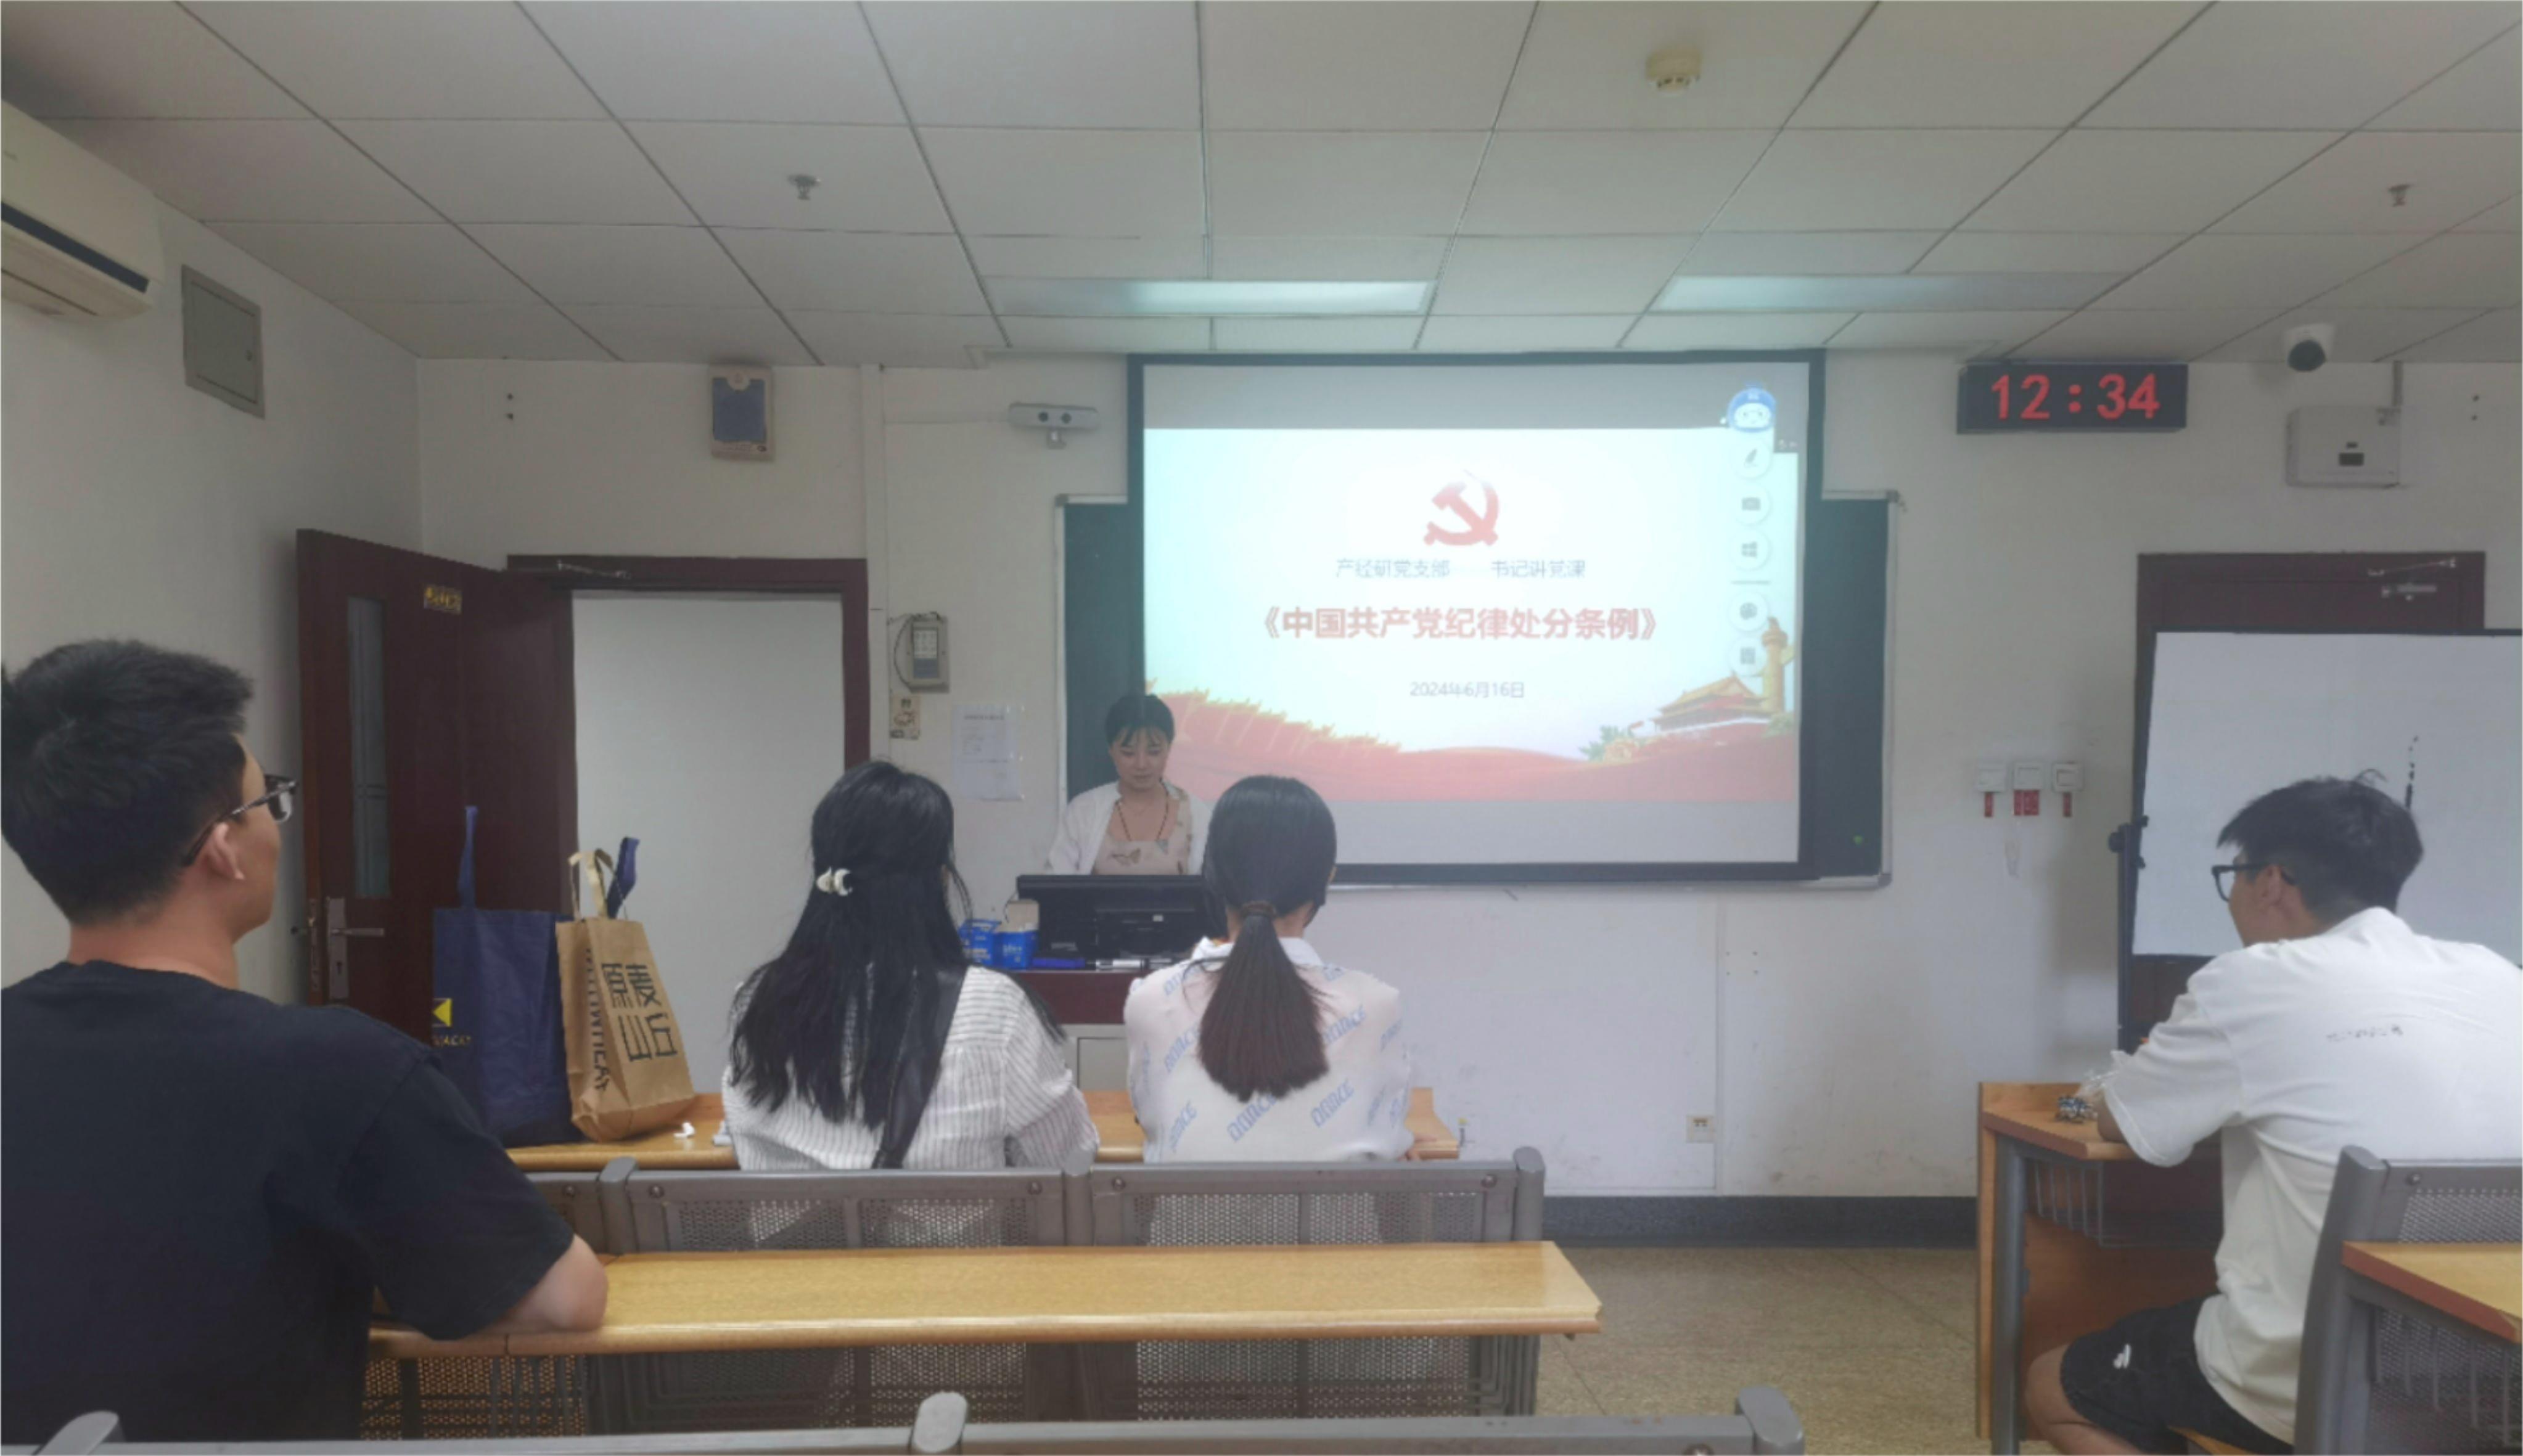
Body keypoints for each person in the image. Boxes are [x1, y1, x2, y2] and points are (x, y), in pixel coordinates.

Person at [1, 640, 607, 1444]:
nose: (275, 826)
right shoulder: (337, 1069)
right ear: (222, 847)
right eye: (268, 802)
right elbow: (564, 1297)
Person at [2026, 775, 2521, 1456]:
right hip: (2492, 1382)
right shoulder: (2500, 977)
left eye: (2232, 876)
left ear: (2272, 881)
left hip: (2310, 1381)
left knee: (2054, 1388)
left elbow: (2123, 1122)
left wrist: (2114, 1089)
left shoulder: (2250, 980)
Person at [725, 760, 1096, 1171]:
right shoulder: (994, 1009)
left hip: (792, 1218)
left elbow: (743, 1133)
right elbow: (1070, 1158)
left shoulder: (759, 1001)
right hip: (952, 1217)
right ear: (938, 879)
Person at [1124, 775, 1412, 1161]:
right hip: (1333, 1207)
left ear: (1212, 875)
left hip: (1191, 1207)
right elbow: (1386, 1141)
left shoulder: (1151, 1000)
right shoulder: (1377, 1007)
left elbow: (1153, 1124)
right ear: (1326, 879)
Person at [1047, 693, 1207, 875]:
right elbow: (1056, 883)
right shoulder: (1084, 811)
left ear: (1168, 749)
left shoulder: (1195, 813)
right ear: (1111, 750)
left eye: (1154, 752)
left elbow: (1214, 885)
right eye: (1128, 753)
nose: (1141, 764)